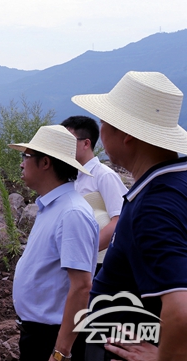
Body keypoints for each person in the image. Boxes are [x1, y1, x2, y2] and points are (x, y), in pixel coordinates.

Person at [72, 71, 187, 360]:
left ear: (126, 135)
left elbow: (181, 312)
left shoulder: (153, 206)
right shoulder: (176, 183)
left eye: (103, 122)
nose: (100, 132)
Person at [9, 124, 99, 361]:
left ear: (46, 162)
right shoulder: (52, 206)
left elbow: (82, 286)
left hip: (53, 338)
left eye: (26, 156)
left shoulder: (71, 213)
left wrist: (60, 353)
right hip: (38, 335)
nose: (21, 164)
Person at [61, 116, 128, 273]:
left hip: (102, 262)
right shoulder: (69, 177)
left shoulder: (104, 175)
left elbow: (120, 220)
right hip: (75, 261)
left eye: (68, 141)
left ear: (86, 143)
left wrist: (86, 251)